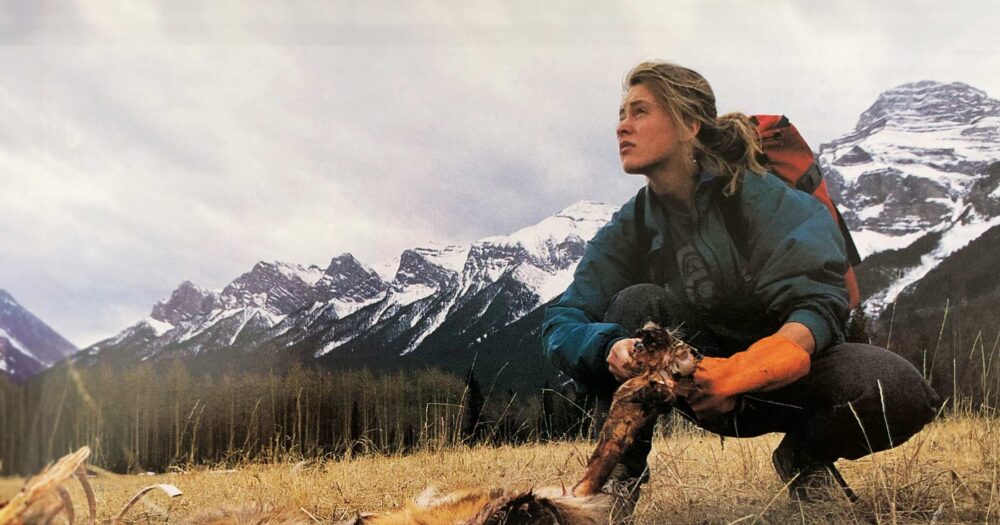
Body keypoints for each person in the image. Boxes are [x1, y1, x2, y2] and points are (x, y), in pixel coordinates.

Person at [541, 61, 941, 503]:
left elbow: (819, 304)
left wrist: (739, 373)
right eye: (621, 114)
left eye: (639, 112)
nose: (622, 127)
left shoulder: (757, 195)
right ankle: (617, 481)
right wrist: (605, 348)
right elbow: (562, 319)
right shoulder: (634, 223)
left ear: (689, 125)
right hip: (692, 381)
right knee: (637, 303)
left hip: (784, 380)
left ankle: (804, 460)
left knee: (899, 390)